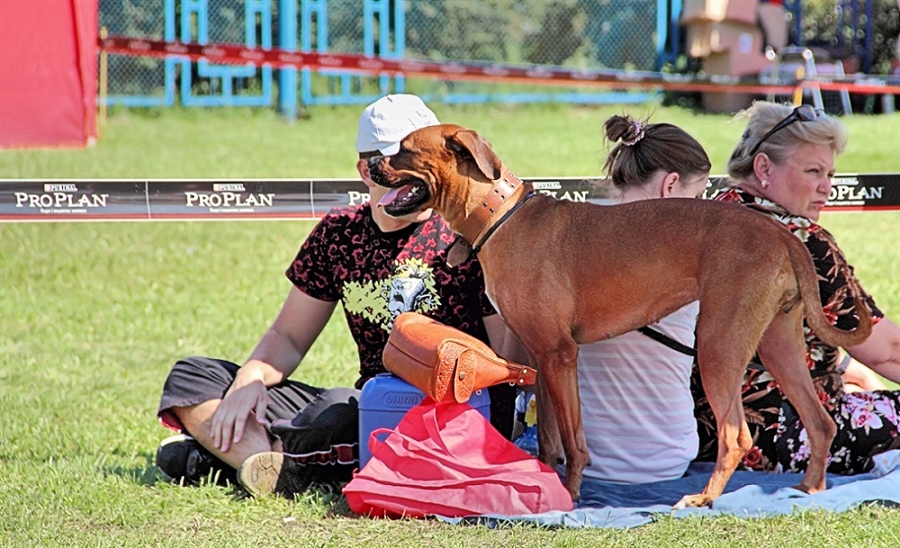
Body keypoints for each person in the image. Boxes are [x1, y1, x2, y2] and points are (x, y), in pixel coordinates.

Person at [154, 94, 518, 498]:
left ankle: (228, 457)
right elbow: (288, 337)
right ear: (367, 171)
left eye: (422, 158)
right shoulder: (339, 233)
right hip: (370, 401)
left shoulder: (467, 235)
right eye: (399, 159)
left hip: (448, 413)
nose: (414, 171)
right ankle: (268, 464)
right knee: (193, 377)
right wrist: (250, 379)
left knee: (336, 413)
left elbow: (506, 358)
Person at [692, 101, 900, 475]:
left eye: (830, 173)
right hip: (789, 436)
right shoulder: (802, 240)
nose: (826, 187)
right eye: (813, 171)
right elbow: (887, 352)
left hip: (705, 434)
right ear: (763, 168)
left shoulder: (710, 216)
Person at [574, 114, 712, 483]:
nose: (699, 208)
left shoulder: (573, 237)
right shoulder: (691, 253)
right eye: (698, 196)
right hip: (666, 458)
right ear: (671, 185)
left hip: (578, 460)